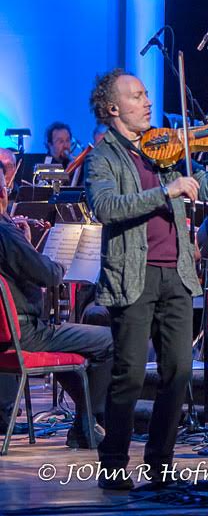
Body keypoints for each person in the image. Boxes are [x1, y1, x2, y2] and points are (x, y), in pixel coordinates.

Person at [84, 68, 208, 489]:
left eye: (146, 95)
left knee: (179, 371)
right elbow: (106, 207)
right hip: (133, 276)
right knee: (128, 375)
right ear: (113, 109)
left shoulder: (160, 151)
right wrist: (166, 191)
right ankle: (113, 465)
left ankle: (160, 464)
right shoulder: (103, 156)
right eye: (137, 96)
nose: (147, 102)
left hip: (177, 275)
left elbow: (207, 189)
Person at [0, 158, 113, 448]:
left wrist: (27, 243)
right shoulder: (4, 230)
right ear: (2, 193)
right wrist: (58, 263)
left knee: (69, 347)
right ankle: (87, 422)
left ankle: (85, 422)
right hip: (27, 332)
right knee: (109, 341)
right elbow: (48, 275)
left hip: (11, 332)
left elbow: (20, 269)